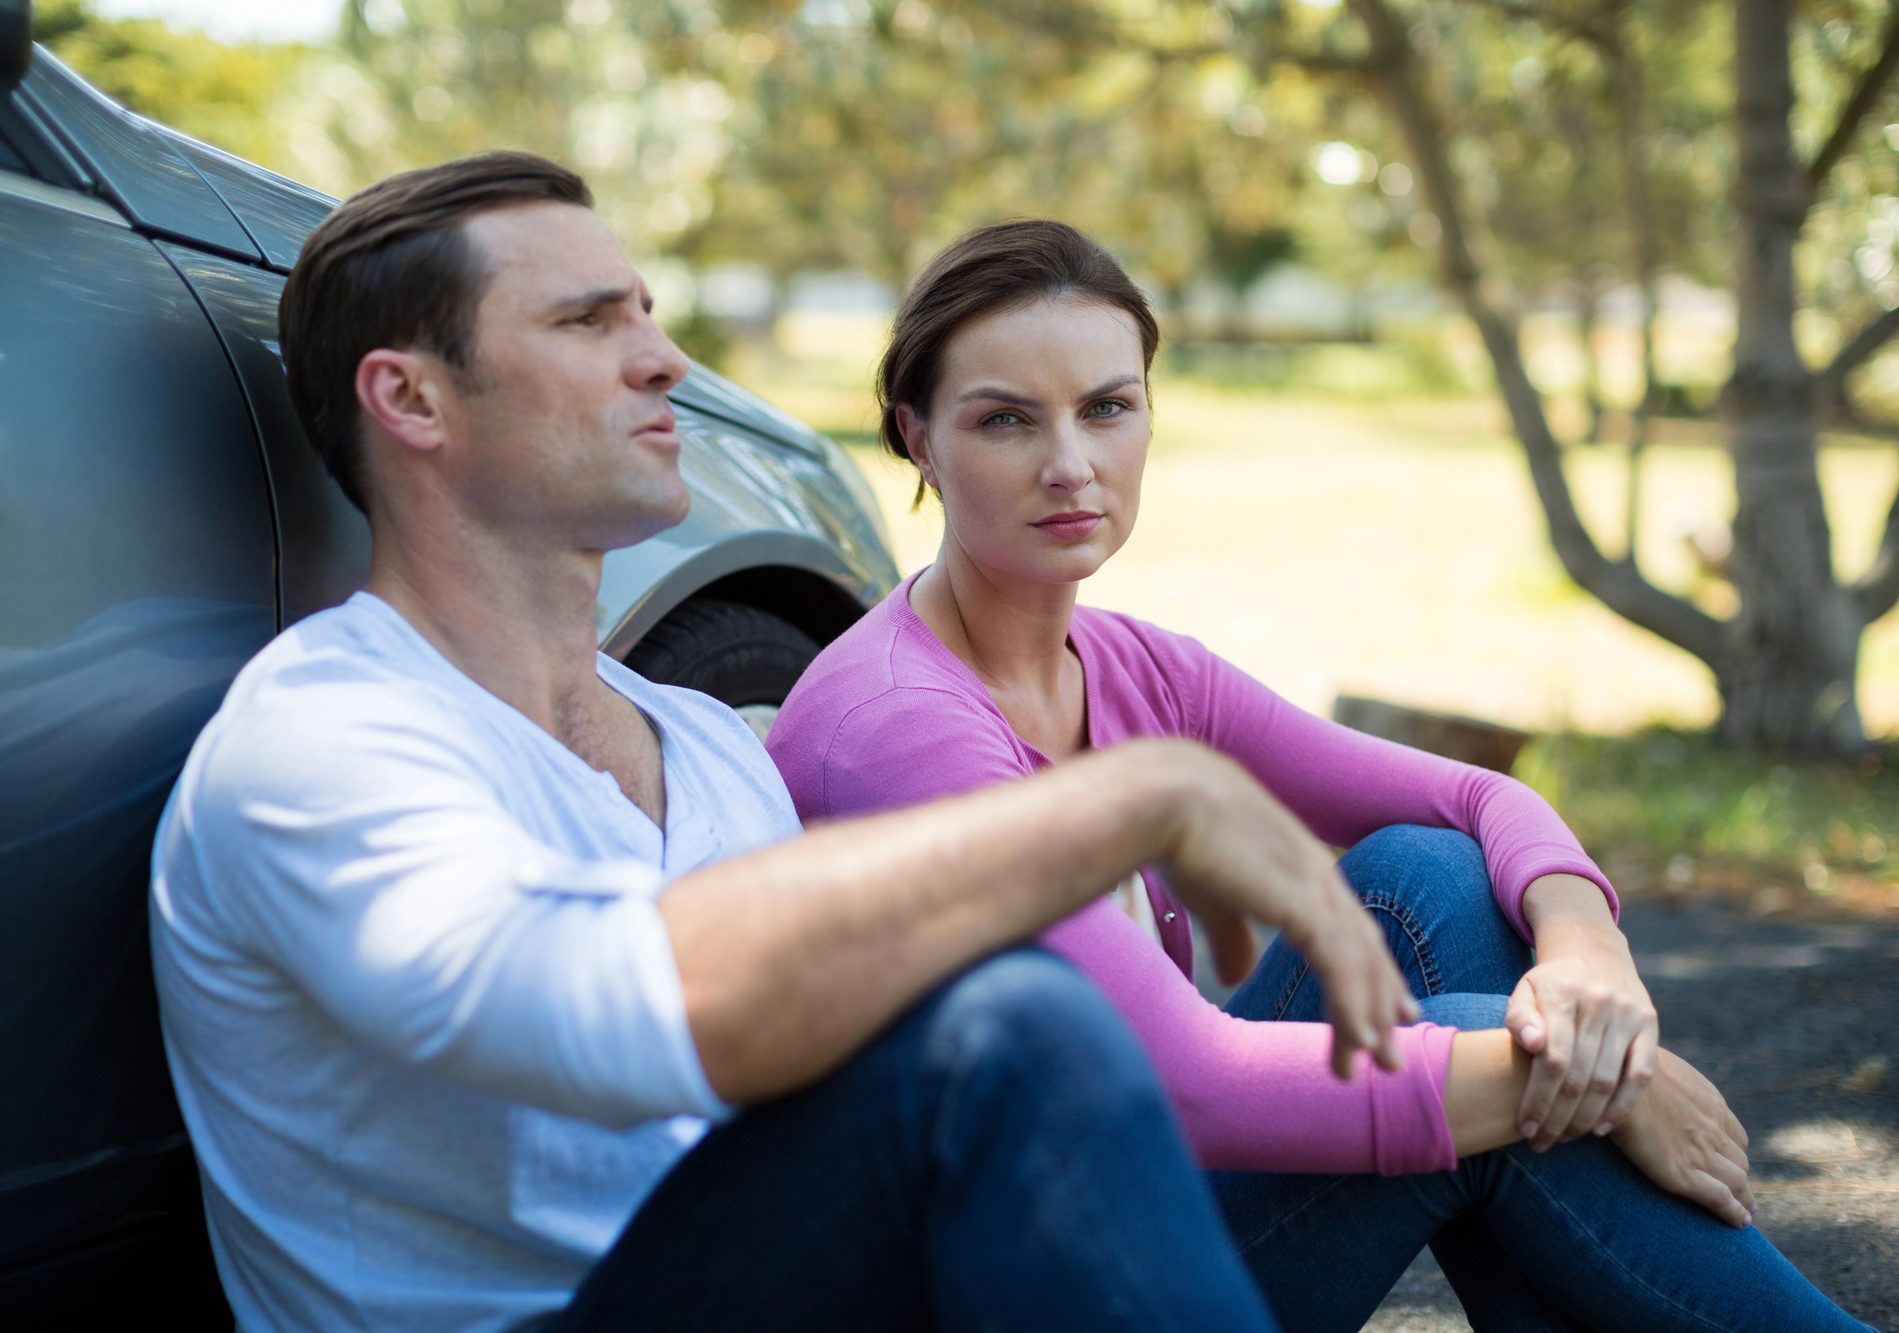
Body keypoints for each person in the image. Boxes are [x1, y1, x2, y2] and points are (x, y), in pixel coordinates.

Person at [147, 154, 1431, 1333]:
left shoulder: (706, 743)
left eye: (645, 313)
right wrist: (1123, 804)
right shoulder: (323, 740)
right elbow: (594, 1003)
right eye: (589, 322)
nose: (662, 361)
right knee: (1008, 1032)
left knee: (1447, 951)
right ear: (411, 399)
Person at [763, 218, 1873, 1332]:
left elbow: (1477, 798)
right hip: (1006, 1283)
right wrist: (1605, 1086)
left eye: (1107, 407)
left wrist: (1593, 962)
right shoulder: (898, 727)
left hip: (1114, 1194)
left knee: (1427, 877)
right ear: (916, 437)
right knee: (1491, 1068)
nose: (1071, 464)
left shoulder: (1130, 666)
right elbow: (1188, 1082)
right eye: (1006, 419)